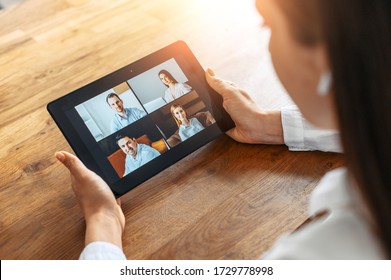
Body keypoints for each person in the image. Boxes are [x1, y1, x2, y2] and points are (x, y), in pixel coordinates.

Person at [55, 0, 390, 259]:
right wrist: (267, 125)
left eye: (267, 25)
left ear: (320, 56)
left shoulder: (323, 256)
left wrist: (103, 221)